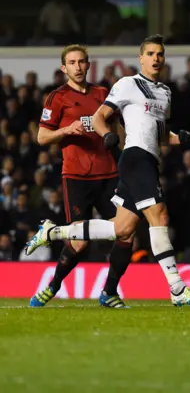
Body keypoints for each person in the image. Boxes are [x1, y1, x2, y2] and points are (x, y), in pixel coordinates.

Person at [25, 35, 190, 307]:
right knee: (157, 215)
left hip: (120, 168)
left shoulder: (162, 93)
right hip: (100, 168)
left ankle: (58, 238)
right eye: (151, 53)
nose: (156, 58)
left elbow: (151, 130)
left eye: (160, 54)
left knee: (123, 230)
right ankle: (178, 288)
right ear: (141, 58)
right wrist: (87, 133)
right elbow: (50, 134)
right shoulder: (121, 85)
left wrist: (175, 138)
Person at [31, 44, 132, 309]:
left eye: (82, 62)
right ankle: (52, 286)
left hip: (109, 174)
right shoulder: (57, 97)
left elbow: (118, 127)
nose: (78, 66)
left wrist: (125, 151)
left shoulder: (102, 93)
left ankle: (109, 292)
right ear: (64, 68)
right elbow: (42, 137)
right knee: (79, 243)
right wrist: (66, 130)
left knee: (127, 233)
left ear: (88, 65)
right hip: (76, 176)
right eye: (72, 62)